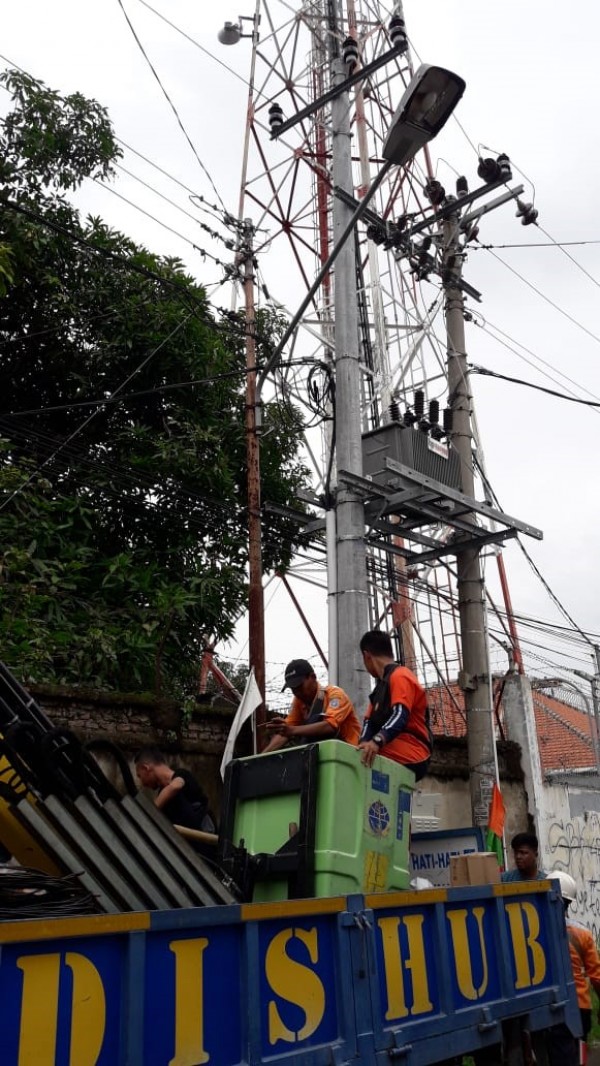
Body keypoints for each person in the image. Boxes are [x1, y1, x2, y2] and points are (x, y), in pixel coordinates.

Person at [358, 630, 431, 780]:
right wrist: (363, 742)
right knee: (357, 754)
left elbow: (400, 714)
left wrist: (377, 741)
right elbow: (368, 722)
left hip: (413, 749)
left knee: (359, 760)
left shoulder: (400, 675)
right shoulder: (379, 689)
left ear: (366, 656)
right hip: (394, 747)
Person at [549, 869, 600, 1063]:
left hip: (546, 1008)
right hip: (579, 1007)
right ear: (569, 903)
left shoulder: (531, 932)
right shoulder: (582, 934)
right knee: (578, 1056)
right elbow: (596, 977)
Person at [263, 659, 360, 752]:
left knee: (314, 723)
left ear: (313, 677)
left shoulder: (335, 695)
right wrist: (261, 757)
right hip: (321, 754)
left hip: (347, 753)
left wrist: (292, 730)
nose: (296, 692)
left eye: (299, 686)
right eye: (293, 689)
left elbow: (330, 726)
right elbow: (286, 731)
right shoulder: (299, 701)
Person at [134, 747, 216, 833]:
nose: (142, 782)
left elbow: (175, 786)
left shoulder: (182, 775)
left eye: (139, 776)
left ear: (146, 768)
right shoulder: (162, 796)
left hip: (205, 834)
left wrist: (150, 812)